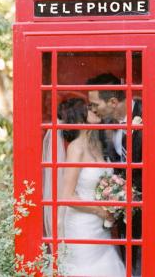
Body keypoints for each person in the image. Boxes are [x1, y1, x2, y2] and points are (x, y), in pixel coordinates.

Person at [54, 98, 126, 277]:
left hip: (100, 227)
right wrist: (101, 211)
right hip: (82, 227)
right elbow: (66, 196)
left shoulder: (96, 144)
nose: (94, 109)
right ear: (79, 118)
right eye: (89, 108)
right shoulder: (76, 148)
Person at [87, 73, 142, 276]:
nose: (93, 109)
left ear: (112, 101)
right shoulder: (105, 126)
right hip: (122, 211)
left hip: (148, 209)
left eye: (95, 104)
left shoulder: (149, 113)